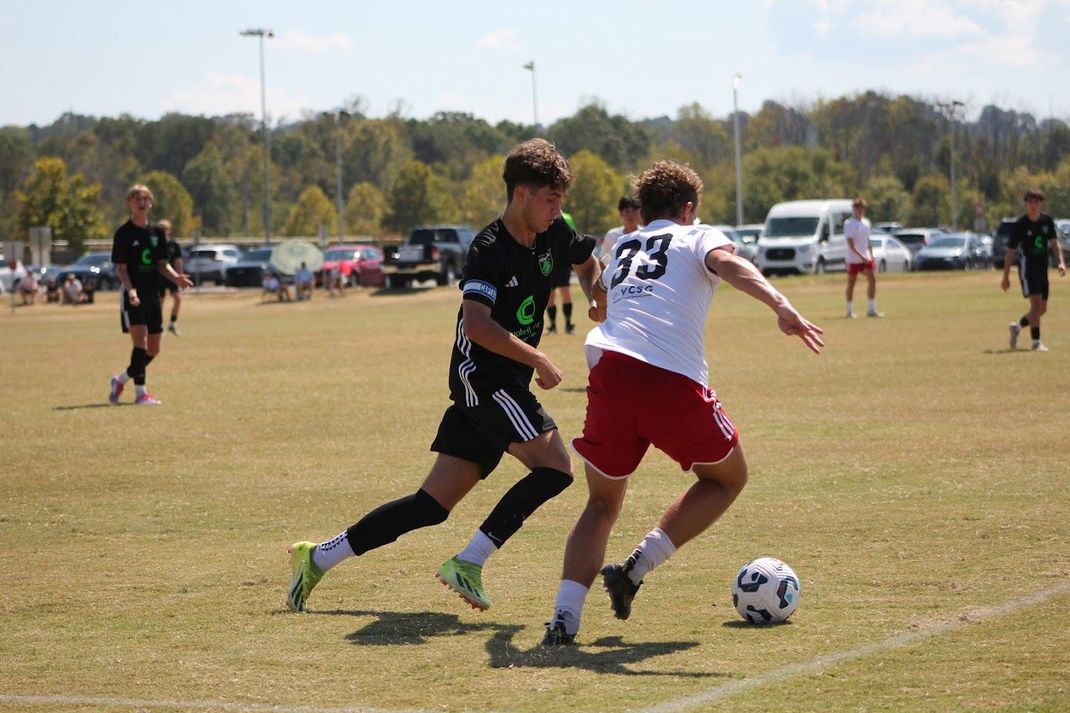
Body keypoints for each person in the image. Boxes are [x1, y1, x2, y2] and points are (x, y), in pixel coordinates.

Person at [287, 138, 601, 614]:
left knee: (430, 507)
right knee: (556, 468)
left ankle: (317, 558)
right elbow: (477, 326)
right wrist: (537, 359)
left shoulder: (553, 232)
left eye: (561, 202)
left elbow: (586, 260)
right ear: (521, 194)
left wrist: (593, 293)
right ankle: (470, 561)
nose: (558, 212)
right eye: (550, 200)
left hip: (501, 382)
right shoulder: (488, 249)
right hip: (485, 379)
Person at [540, 160, 824, 646]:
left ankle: (564, 620)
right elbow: (730, 264)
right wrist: (780, 304)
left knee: (601, 503)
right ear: (688, 209)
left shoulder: (623, 242)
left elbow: (601, 295)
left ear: (643, 210)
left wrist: (599, 303)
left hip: (609, 370)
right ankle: (635, 568)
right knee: (726, 478)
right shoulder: (697, 236)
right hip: (668, 378)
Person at [107, 184, 193, 406]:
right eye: (137, 198)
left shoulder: (156, 233)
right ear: (129, 203)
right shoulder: (123, 233)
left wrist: (177, 278)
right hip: (132, 294)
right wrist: (130, 290)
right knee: (141, 343)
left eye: (145, 198)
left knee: (154, 348)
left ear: (150, 203)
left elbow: (163, 266)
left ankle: (121, 379)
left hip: (153, 293)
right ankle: (140, 393)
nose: (141, 202)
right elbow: (121, 268)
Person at [1002, 188, 1066, 352]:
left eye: (1036, 202)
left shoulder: (1047, 221)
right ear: (1026, 204)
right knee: (1036, 306)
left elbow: (1054, 243)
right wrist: (1006, 276)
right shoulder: (1020, 225)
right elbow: (1010, 251)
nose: (1033, 205)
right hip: (1027, 267)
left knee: (1041, 309)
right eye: (1030, 202)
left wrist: (1061, 262)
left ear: (1041, 204)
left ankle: (1017, 327)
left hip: (1042, 268)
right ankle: (1036, 342)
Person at [844, 197, 882, 318]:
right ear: (854, 209)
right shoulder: (849, 223)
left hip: (866, 257)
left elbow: (867, 240)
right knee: (851, 283)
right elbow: (850, 243)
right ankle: (849, 310)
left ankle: (871, 309)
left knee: (872, 279)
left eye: (861, 208)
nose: (859, 210)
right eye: (857, 208)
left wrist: (871, 254)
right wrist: (860, 255)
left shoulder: (866, 222)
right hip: (854, 258)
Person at [545, 211, 578, 334]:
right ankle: (553, 326)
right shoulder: (545, 215)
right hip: (548, 262)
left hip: (563, 263)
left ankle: (568, 325)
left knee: (566, 292)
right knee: (550, 296)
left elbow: (573, 237)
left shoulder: (567, 217)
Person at [157, 219, 185, 336]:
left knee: (177, 299)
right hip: (159, 276)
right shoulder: (156, 246)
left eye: (165, 230)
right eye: (160, 230)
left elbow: (178, 261)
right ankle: (158, 326)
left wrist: (180, 276)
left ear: (169, 231)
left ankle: (172, 324)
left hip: (172, 277)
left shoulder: (174, 245)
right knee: (160, 301)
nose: (163, 232)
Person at [599, 196, 643, 261]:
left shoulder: (645, 234)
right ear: (621, 214)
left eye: (634, 211)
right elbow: (603, 259)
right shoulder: (612, 235)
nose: (631, 215)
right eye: (627, 211)